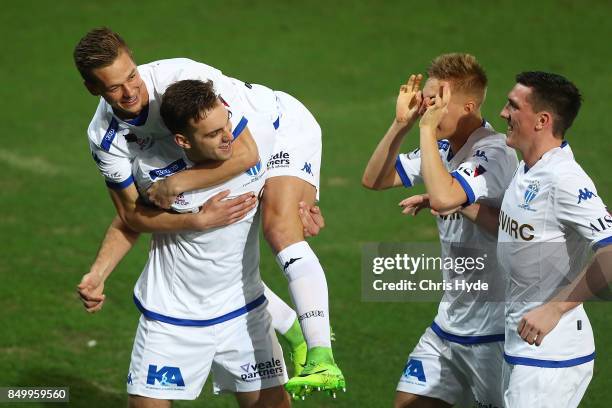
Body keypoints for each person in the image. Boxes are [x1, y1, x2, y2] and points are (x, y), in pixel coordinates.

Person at [73, 27, 344, 398]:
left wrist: (179, 183)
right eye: (114, 87)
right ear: (94, 89)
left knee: (281, 228)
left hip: (280, 128)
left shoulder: (184, 82)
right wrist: (195, 217)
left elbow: (247, 153)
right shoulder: (107, 137)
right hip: (214, 156)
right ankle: (291, 328)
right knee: (214, 249)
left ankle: (321, 355)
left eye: (132, 75)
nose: (130, 91)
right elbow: (132, 216)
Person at [363, 53, 517, 407]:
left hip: (493, 331)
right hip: (448, 324)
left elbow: (447, 197)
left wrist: (426, 131)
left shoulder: (493, 153)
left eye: (436, 103)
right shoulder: (442, 146)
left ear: (468, 106)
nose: (427, 109)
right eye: (425, 101)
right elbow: (374, 179)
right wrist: (401, 124)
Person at [495, 71, 612, 407]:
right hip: (524, 344)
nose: (504, 113)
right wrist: (465, 208)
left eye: (513, 106)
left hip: (550, 353)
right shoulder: (528, 167)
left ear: (541, 120)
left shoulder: (563, 178)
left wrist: (556, 308)